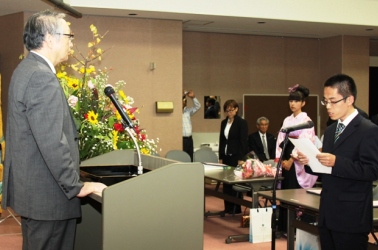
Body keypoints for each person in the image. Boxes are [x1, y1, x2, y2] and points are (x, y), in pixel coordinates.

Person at [1, 10, 107, 250]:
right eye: (69, 35)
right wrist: (76, 186)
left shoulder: (25, 70)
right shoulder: (41, 77)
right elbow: (52, 142)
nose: (71, 42)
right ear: (49, 39)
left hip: (36, 193)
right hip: (50, 197)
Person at [298, 74, 378, 250]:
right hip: (328, 212)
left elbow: (372, 170)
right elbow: (325, 169)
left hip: (352, 216)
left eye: (333, 101)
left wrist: (337, 162)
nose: (328, 106)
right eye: (325, 101)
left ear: (349, 99)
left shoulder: (368, 130)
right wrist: (309, 161)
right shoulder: (332, 129)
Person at [275, 84, 318, 237]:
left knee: (294, 195)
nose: (292, 104)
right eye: (291, 101)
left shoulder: (306, 120)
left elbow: (305, 141)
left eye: (296, 101)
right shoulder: (287, 120)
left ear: (303, 103)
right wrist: (281, 159)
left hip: (296, 163)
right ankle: (283, 227)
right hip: (286, 160)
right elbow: (280, 139)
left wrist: (291, 160)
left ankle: (294, 228)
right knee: (285, 194)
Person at [218, 100, 248, 214]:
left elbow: (243, 141)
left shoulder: (242, 122)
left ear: (236, 109)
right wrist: (221, 156)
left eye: (231, 110)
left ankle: (236, 208)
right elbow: (222, 140)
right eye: (226, 111)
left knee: (235, 182)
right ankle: (228, 207)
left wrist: (241, 158)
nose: (229, 113)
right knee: (226, 182)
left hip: (236, 156)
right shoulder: (224, 122)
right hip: (226, 155)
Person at [182, 90, 201, 161]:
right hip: (182, 139)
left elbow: (198, 106)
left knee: (190, 158)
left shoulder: (187, 111)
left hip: (189, 139)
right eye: (183, 100)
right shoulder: (176, 113)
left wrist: (193, 98)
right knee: (183, 159)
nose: (184, 102)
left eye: (185, 100)